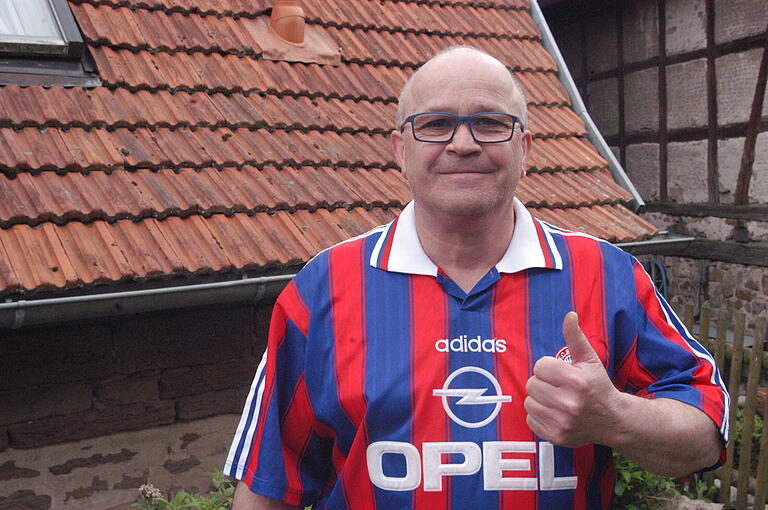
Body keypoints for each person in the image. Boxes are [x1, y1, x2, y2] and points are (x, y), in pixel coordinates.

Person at [224, 46, 728, 510]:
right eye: (436, 123)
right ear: (400, 150)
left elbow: (707, 433)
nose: (463, 143)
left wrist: (617, 418)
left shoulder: (607, 275)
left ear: (525, 149)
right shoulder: (322, 290)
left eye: (489, 123)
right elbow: (267, 485)